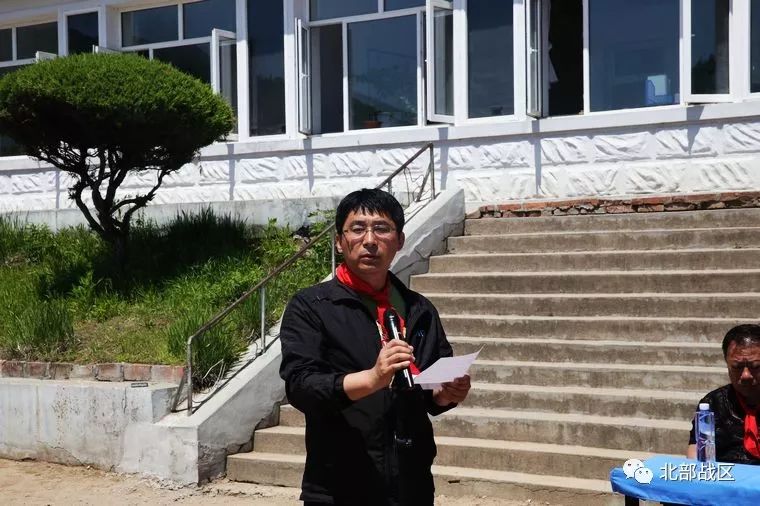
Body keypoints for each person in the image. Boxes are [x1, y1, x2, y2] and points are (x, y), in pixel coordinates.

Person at [279, 188, 471, 505]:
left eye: (382, 229)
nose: (370, 240)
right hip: (339, 485)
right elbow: (301, 387)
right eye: (357, 229)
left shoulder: (419, 309)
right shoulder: (311, 306)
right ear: (339, 241)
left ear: (399, 240)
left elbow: (430, 389)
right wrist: (372, 378)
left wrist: (447, 393)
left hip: (411, 483)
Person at [686, 324, 760, 464]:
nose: (746, 375)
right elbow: (695, 450)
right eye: (737, 367)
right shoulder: (712, 403)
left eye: (756, 367)